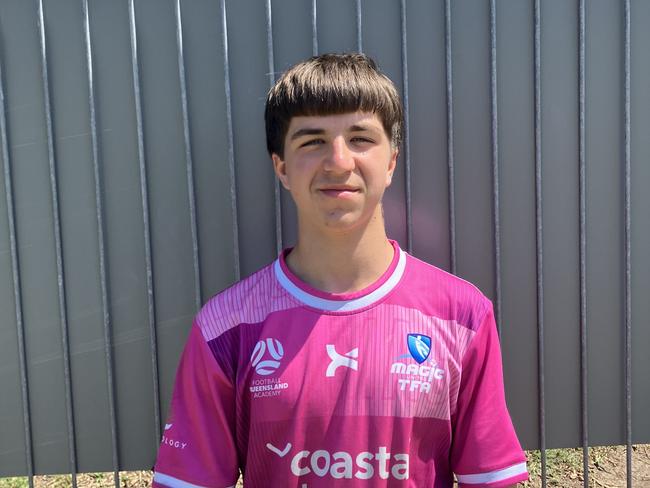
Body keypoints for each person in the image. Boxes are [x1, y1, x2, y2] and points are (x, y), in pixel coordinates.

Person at [152, 53, 528, 487]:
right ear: (282, 168)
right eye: (312, 141)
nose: (338, 162)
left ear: (391, 162)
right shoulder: (225, 326)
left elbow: (491, 479)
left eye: (360, 138)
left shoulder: (462, 315)